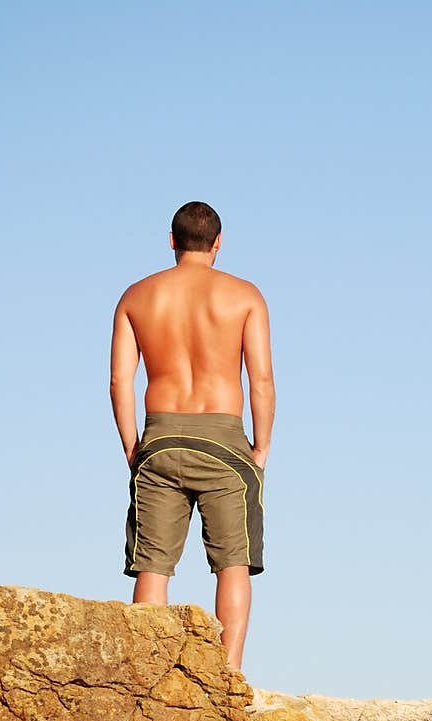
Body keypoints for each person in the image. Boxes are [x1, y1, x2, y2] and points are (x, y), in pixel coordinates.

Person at [110, 201, 275, 671]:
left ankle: (145, 676)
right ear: (218, 243)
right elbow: (260, 378)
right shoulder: (245, 296)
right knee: (234, 564)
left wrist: (131, 446)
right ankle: (228, 677)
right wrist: (260, 447)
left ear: (171, 240)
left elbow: (121, 381)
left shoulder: (137, 296)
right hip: (225, 440)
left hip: (159, 436)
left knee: (152, 567)